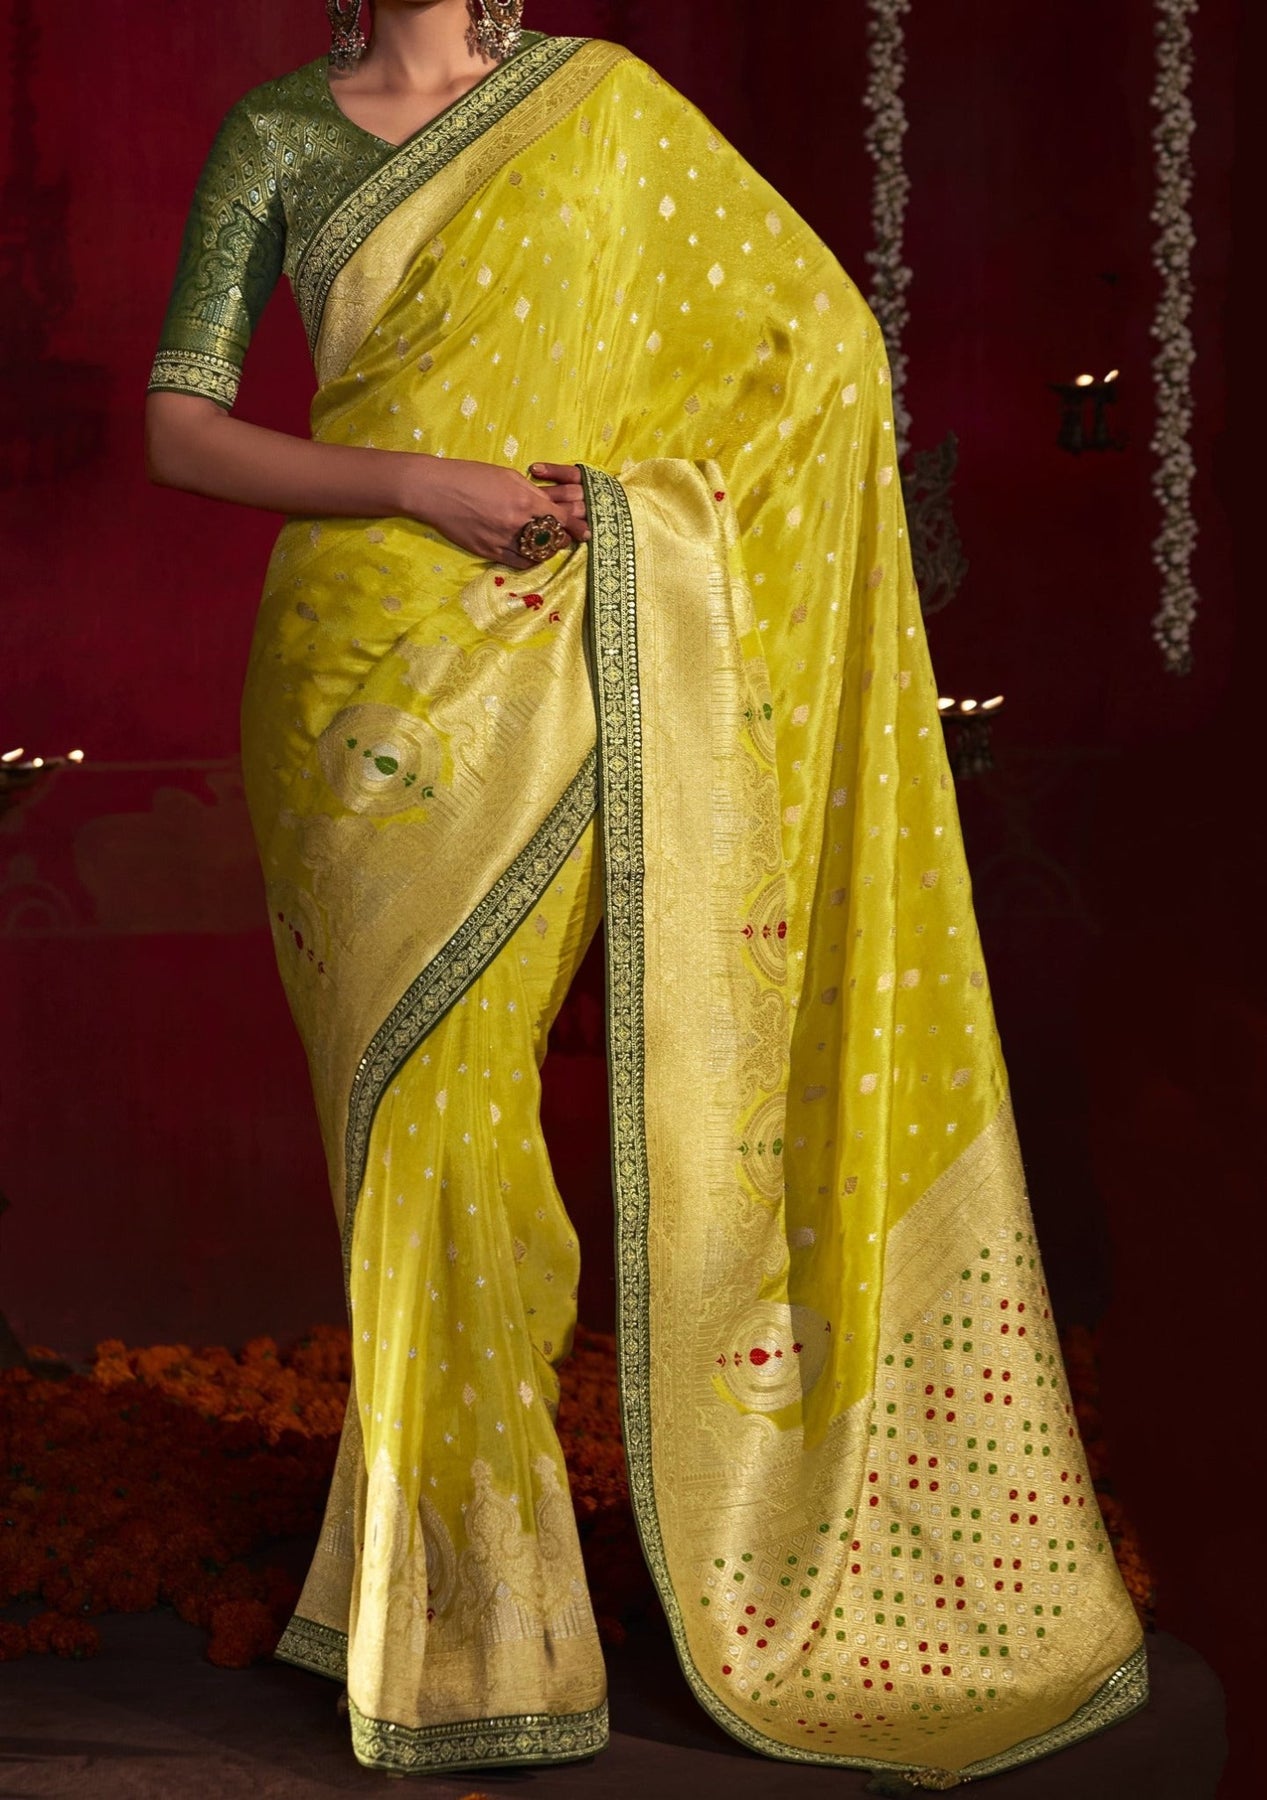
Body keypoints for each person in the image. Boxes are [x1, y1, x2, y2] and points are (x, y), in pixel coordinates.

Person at [146, 0, 1146, 1785]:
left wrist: (625, 511)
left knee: (463, 1114)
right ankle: (432, 1594)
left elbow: (818, 354)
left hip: (546, 653)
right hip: (346, 671)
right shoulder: (278, 133)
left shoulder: (601, 105)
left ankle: (469, 1621)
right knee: (402, 1140)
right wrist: (419, 482)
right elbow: (180, 429)